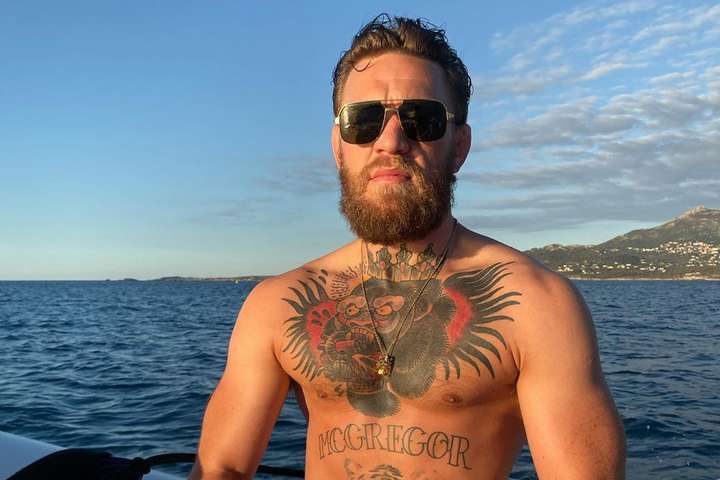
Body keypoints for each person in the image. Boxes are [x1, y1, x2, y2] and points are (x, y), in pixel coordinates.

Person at [188, 15, 626, 480]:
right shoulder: (275, 305)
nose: (390, 141)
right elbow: (222, 468)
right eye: (364, 121)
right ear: (338, 146)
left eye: (422, 119)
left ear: (459, 146)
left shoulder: (537, 305)